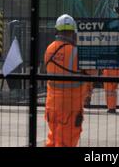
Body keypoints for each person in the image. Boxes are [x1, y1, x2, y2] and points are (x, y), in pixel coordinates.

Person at [44, 14, 85, 147]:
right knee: (66, 142)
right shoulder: (76, 52)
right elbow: (91, 74)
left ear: (57, 30)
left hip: (51, 105)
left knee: (52, 139)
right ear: (73, 32)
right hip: (70, 107)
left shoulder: (49, 49)